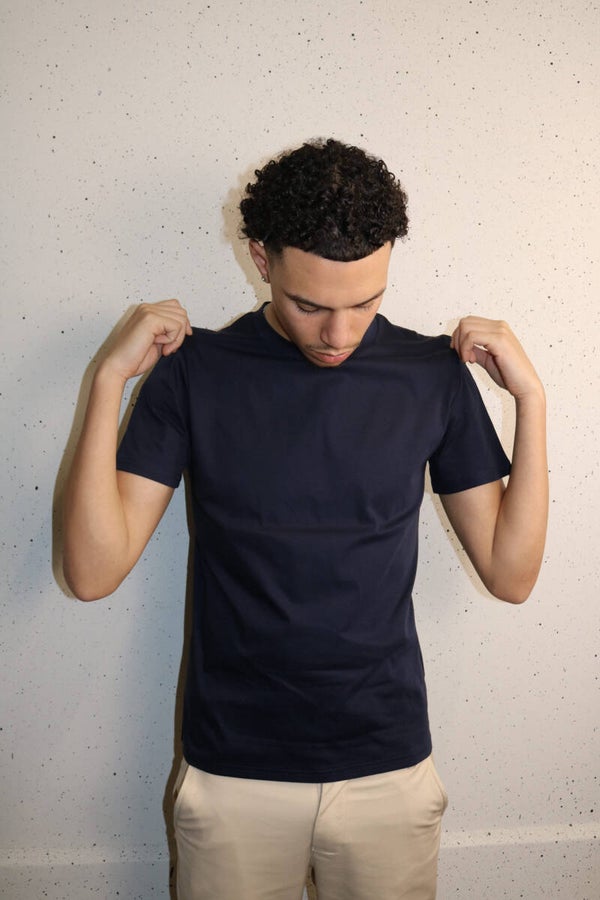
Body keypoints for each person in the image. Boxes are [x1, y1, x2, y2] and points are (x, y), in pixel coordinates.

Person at [63, 138, 548, 900]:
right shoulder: (197, 372)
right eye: (310, 305)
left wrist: (532, 402)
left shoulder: (430, 376)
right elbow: (91, 572)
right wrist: (106, 380)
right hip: (234, 774)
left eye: (365, 303)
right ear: (261, 259)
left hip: (388, 769)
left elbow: (511, 576)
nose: (339, 335)